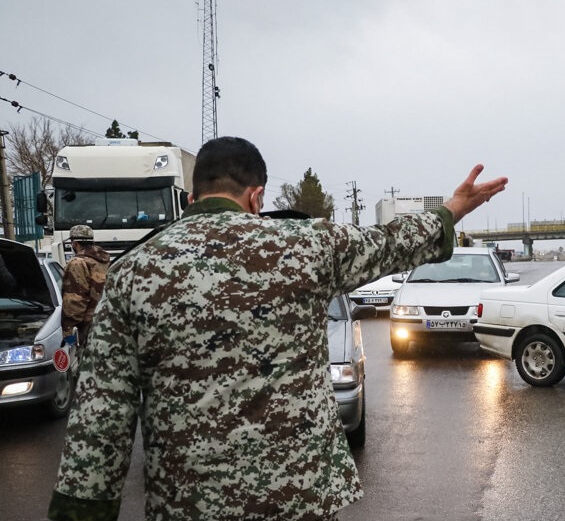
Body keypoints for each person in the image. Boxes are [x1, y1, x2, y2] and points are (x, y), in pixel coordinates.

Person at [48, 136, 507, 521]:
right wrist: (451, 209)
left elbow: (102, 415)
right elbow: (390, 243)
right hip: (299, 499)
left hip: (188, 504)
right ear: (256, 196)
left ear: (192, 198)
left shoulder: (132, 273)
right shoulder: (308, 246)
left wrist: (82, 509)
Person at [60, 224, 111, 347]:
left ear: (74, 244)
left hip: (88, 328)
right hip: (107, 322)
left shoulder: (77, 263)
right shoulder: (105, 260)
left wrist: (68, 334)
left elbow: (74, 301)